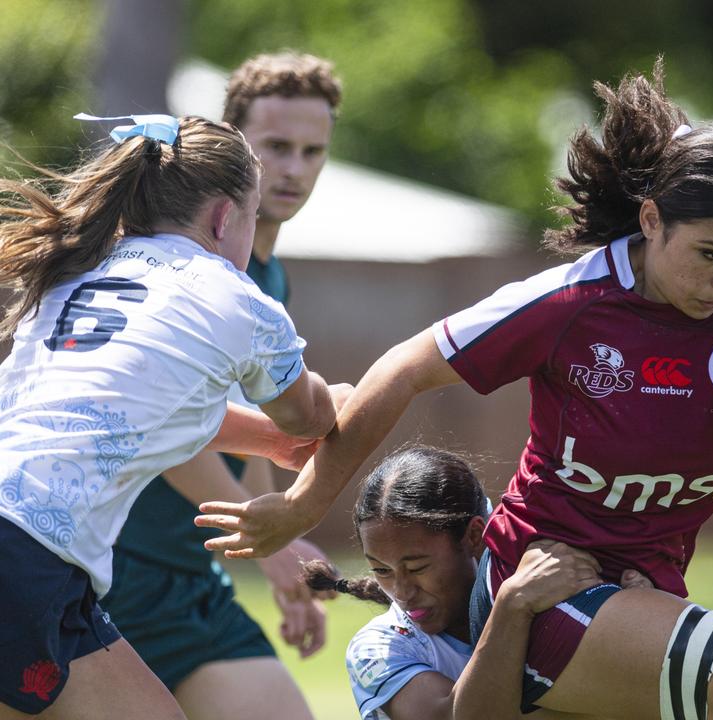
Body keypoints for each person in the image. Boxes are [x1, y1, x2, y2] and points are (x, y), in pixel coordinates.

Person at [199, 62, 713, 720]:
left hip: (646, 588)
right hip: (542, 579)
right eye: (707, 254)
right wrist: (302, 504)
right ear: (651, 219)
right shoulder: (574, 301)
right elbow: (404, 366)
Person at [0, 113, 339, 719]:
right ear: (223, 217)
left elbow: (135, 408)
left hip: (31, 554)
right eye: (253, 216)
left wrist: (263, 441)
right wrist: (346, 396)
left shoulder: (76, 271)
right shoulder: (235, 296)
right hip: (28, 556)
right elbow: (309, 417)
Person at [102, 51, 342, 720]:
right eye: (276, 148)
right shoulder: (190, 274)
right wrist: (273, 546)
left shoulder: (267, 277)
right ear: (235, 148)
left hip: (188, 577)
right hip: (115, 571)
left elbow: (248, 429)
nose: (294, 168)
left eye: (312, 150)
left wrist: (271, 538)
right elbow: (165, 425)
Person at [306, 446, 649, 719]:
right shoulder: (378, 648)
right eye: (382, 570)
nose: (402, 592)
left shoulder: (550, 595)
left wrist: (637, 631)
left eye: (417, 567)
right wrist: (512, 607)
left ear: (473, 536)